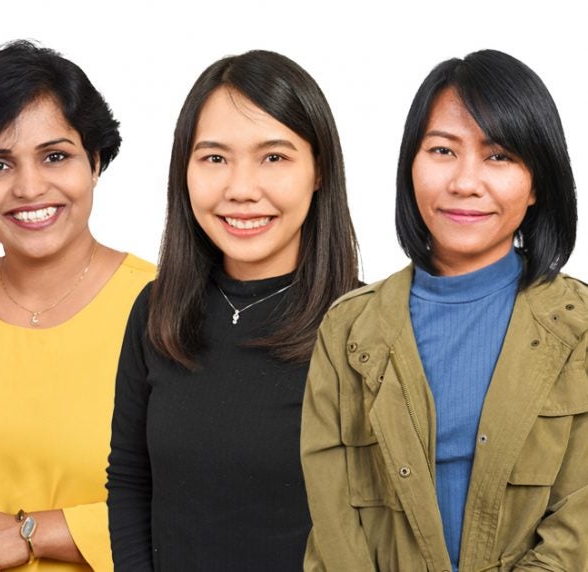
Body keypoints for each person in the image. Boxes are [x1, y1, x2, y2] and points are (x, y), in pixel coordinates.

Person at [302, 49, 586, 571]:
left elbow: (577, 532)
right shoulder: (348, 331)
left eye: (499, 156)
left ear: (537, 182)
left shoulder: (581, 330)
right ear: (411, 165)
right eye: (442, 150)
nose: (465, 182)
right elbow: (334, 524)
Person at [106, 50, 360, 569]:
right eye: (215, 158)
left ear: (319, 171)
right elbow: (131, 481)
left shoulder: (365, 324)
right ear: (185, 171)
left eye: (274, 157)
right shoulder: (155, 311)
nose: (241, 190)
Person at [0, 40, 154, 571]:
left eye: (55, 156)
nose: (29, 187)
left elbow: (203, 502)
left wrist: (31, 533)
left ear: (95, 162)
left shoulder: (168, 308)